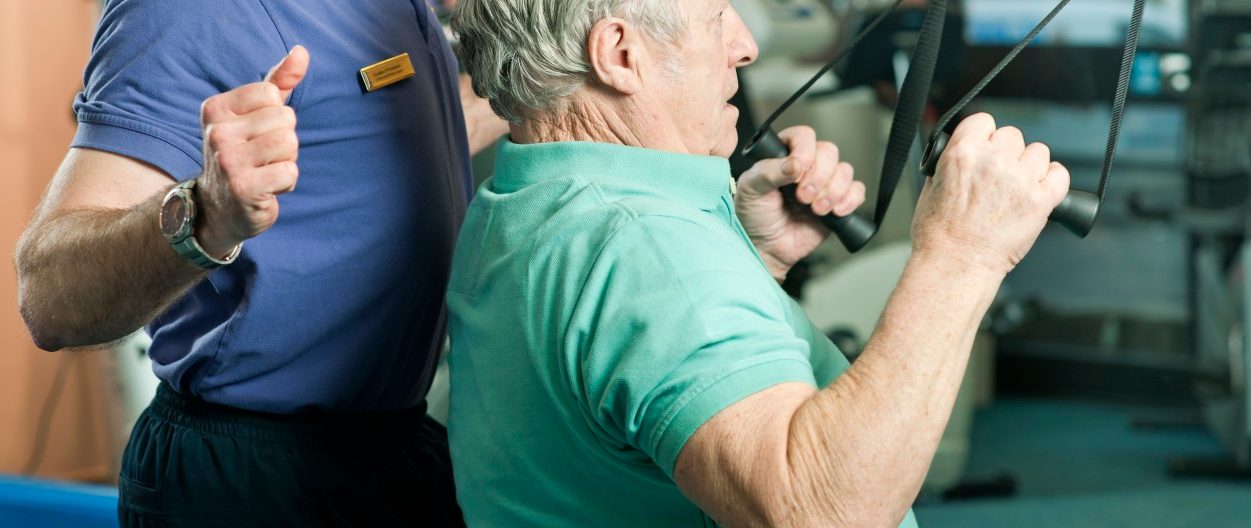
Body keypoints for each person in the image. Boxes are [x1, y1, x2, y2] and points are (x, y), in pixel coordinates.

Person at [445, 0, 1070, 526]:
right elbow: (820, 512)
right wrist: (963, 252)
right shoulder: (648, 251)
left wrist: (750, 262)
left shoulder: (524, 197)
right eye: (718, 17)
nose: (744, 47)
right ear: (620, 55)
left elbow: (622, 364)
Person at [16, 0, 506, 525]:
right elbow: (49, 299)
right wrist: (205, 214)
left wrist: (552, 80)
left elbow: (379, 143)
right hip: (252, 474)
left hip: (395, 448)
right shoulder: (193, 12)